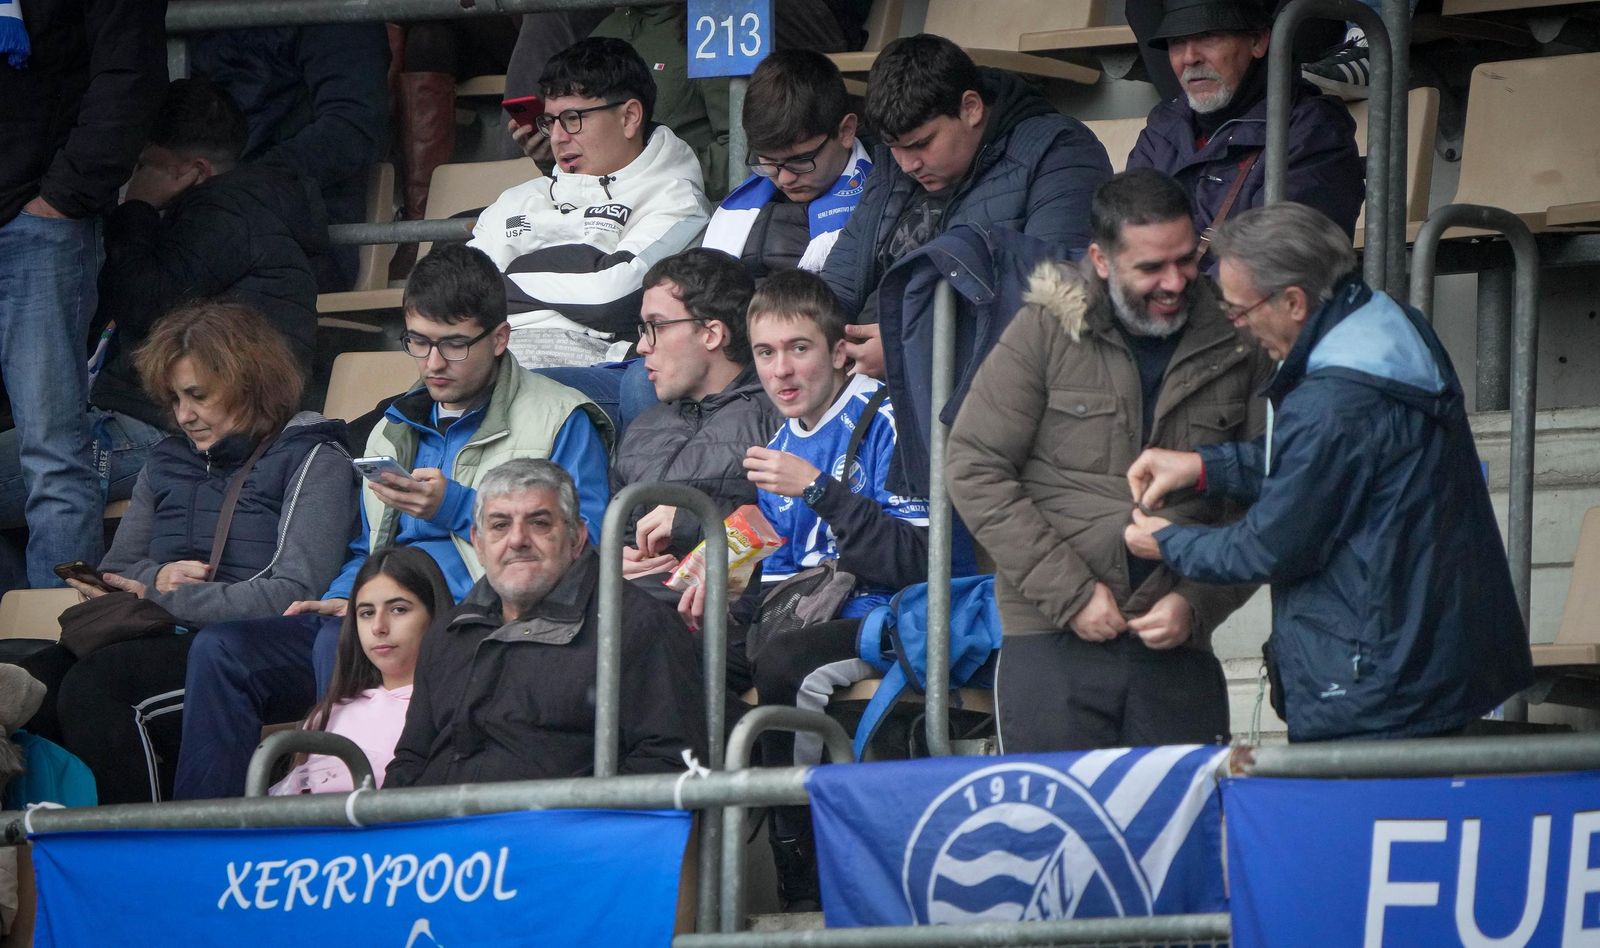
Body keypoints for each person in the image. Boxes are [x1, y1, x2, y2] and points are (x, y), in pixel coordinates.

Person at [173, 243, 614, 801]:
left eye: (454, 344)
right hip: (383, 610)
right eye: (418, 341)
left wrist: (457, 507)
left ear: (500, 338)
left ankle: (348, 814)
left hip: (477, 619)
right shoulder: (393, 424)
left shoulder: (560, 418)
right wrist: (344, 594)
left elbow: (584, 550)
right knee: (221, 651)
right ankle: (204, 831)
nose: (433, 363)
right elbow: (368, 546)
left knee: (336, 643)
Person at [1122, 202, 1536, 742]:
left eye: (1240, 312)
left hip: (1379, 681)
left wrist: (1168, 542)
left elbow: (1270, 545)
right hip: (1424, 655)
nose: (1240, 329)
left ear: (1294, 301)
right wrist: (1206, 467)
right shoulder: (1388, 326)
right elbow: (1325, 470)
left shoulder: (1334, 402)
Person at [947, 170, 1273, 753]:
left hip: (1178, 641)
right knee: (1057, 814)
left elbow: (1269, 488)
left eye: (1186, 259)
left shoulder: (1237, 335)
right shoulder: (1044, 327)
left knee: (1181, 813)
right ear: (1100, 260)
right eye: (1150, 267)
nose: (1174, 281)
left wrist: (1198, 604)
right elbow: (973, 466)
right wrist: (1070, 594)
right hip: (1049, 636)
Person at [678, 270, 950, 911]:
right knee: (675, 654)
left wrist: (819, 490)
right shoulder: (778, 444)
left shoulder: (889, 419)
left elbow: (917, 561)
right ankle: (705, 849)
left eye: (799, 348)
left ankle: (801, 870)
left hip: (888, 614)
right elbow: (780, 583)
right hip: (805, 618)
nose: (781, 370)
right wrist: (719, 584)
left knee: (784, 662)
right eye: (766, 352)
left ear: (838, 351)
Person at [17, 301, 359, 804]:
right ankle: (58, 845)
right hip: (160, 633)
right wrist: (158, 575)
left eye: (198, 396)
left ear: (250, 384)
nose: (184, 415)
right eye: (175, 398)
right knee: (32, 684)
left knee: (100, 687)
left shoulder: (313, 457)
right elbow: (118, 570)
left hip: (249, 647)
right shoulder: (166, 459)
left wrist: (161, 597)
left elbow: (293, 592)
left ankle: (149, 844)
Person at [0, 78, 324, 549]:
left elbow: (143, 304)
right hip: (161, 417)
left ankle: (51, 598)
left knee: (50, 468)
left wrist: (135, 209)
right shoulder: (239, 207)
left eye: (144, 165)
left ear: (194, 171)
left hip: (178, 427)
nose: (129, 179)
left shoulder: (224, 213)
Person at [387, 459, 707, 786]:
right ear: (478, 544)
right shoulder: (449, 632)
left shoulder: (639, 625)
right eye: (499, 525)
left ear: (577, 538)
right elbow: (411, 759)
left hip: (567, 818)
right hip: (435, 817)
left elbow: (672, 763)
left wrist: (574, 815)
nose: (517, 539)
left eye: (539, 523)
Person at [821, 33, 1112, 381]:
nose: (908, 164)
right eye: (894, 147)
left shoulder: (1059, 152)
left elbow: (1058, 299)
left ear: (971, 108)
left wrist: (911, 350)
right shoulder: (894, 163)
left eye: (922, 143)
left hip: (975, 388)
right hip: (861, 376)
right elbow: (839, 284)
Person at [0, 0, 166, 592]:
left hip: (39, 223)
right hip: (39, 215)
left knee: (53, 454)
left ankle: (55, 634)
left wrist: (65, 195)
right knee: (51, 455)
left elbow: (130, 68)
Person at [468, 36, 710, 376]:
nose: (557, 137)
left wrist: (507, 276)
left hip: (597, 368)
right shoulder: (516, 200)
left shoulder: (678, 202)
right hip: (485, 362)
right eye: (550, 122)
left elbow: (610, 297)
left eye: (572, 118)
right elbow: (458, 296)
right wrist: (584, 271)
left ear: (629, 117)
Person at [612, 249, 781, 688]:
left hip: (727, 625)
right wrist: (614, 562)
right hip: (635, 610)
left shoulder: (778, 416)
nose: (642, 345)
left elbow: (800, 534)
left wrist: (693, 519)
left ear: (711, 333)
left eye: (656, 325)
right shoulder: (643, 428)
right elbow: (617, 537)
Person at [1126, 0, 1364, 254]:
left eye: (1209, 37)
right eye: (1176, 43)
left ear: (1258, 41)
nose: (1189, 57)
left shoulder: (1312, 132)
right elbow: (1125, 246)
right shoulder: (1163, 128)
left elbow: (1279, 265)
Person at [190, 23, 389, 291]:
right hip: (204, 218)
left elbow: (352, 127)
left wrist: (244, 186)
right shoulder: (191, 19)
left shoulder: (335, 19)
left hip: (301, 228)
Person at [270, 546, 452, 795]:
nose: (378, 627)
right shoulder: (330, 711)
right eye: (366, 613)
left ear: (434, 614)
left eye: (398, 609)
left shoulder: (454, 710)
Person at [701, 49, 872, 277]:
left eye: (800, 160)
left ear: (846, 131)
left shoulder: (884, 205)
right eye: (768, 161)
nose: (785, 178)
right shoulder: (741, 204)